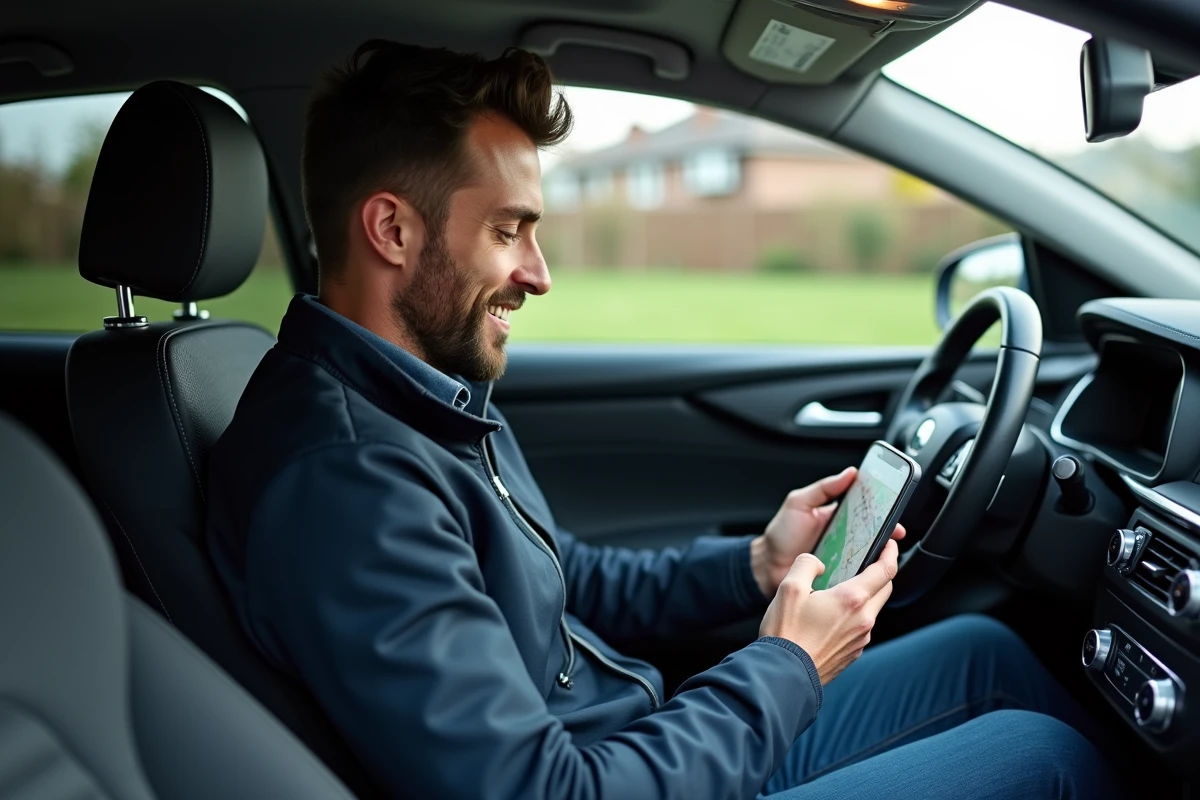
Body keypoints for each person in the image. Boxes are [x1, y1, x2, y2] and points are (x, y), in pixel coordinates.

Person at [206, 40, 1119, 800]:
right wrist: (788, 666)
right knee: (1052, 763)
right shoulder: (348, 480)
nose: (538, 272)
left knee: (981, 652)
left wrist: (753, 567)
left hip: (649, 743)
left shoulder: (421, 396)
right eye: (506, 231)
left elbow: (566, 582)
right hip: (622, 776)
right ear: (392, 231)